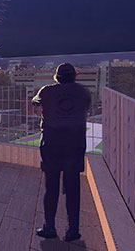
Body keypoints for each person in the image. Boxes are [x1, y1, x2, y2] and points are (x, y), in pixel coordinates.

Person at [33, 62, 92, 242]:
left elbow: (35, 102)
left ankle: (49, 227)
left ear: (56, 77)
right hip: (75, 143)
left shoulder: (46, 91)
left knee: (51, 185)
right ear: (75, 76)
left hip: (52, 142)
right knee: (73, 186)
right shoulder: (83, 92)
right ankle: (72, 230)